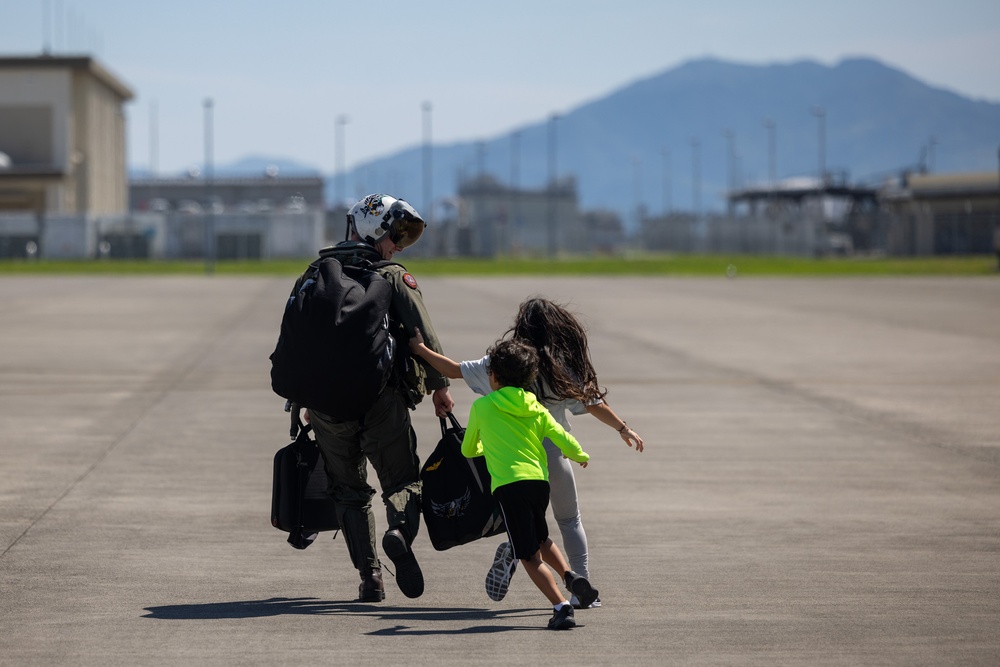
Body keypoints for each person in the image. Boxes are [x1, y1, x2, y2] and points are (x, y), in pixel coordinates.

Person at [410, 296, 644, 609]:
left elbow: (452, 370)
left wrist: (419, 350)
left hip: (509, 461)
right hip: (552, 455)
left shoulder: (502, 365)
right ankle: (581, 587)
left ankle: (516, 547)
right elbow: (595, 404)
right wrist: (622, 428)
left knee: (522, 521)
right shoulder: (563, 370)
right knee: (570, 521)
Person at [304, 193, 454, 603]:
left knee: (349, 492)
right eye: (395, 236)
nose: (399, 246)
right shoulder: (391, 276)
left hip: (324, 407)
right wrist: (440, 386)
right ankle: (397, 534)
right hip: (380, 401)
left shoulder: (318, 272)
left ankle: (370, 578)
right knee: (403, 482)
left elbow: (300, 341)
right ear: (376, 232)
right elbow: (424, 332)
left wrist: (300, 399)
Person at [460, 338, 597, 630]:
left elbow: (468, 450)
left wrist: (488, 450)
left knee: (528, 556)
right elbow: (560, 436)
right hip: (539, 482)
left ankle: (561, 607)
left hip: (510, 487)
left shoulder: (483, 407)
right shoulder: (535, 406)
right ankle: (570, 576)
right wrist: (580, 454)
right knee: (541, 539)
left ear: (493, 376)